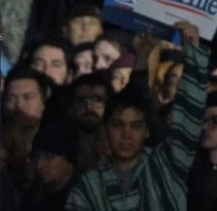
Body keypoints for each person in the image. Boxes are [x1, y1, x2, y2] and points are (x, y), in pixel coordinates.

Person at [66, 22, 208, 211]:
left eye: (136, 125)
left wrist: (194, 53)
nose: (127, 134)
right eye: (118, 125)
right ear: (106, 128)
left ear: (147, 131)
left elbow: (189, 117)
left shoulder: (167, 166)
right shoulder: (88, 186)